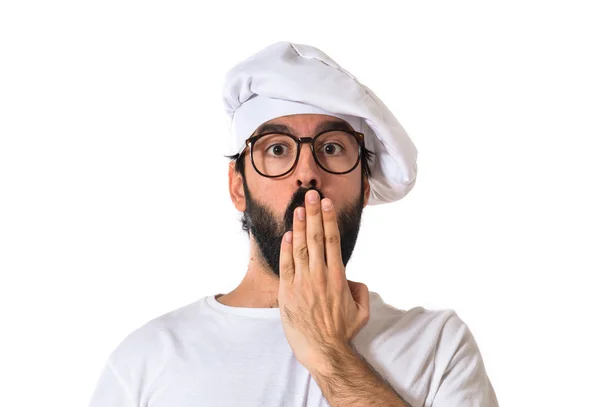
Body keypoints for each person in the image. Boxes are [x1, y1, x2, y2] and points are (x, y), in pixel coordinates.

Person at [88, 41, 499, 407]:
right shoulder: (146, 360)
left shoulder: (437, 347)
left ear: (365, 187)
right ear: (238, 186)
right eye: (278, 149)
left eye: (332, 148)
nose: (307, 173)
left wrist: (330, 354)